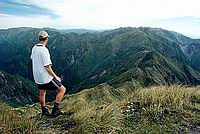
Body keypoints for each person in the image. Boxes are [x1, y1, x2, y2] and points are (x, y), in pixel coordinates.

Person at [31, 31, 66, 117]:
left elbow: (33, 59)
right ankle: (55, 110)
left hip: (37, 77)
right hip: (45, 77)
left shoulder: (34, 48)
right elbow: (47, 67)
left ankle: (44, 111)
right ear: (46, 39)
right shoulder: (44, 50)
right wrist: (55, 76)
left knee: (42, 93)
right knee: (62, 90)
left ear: (40, 38)